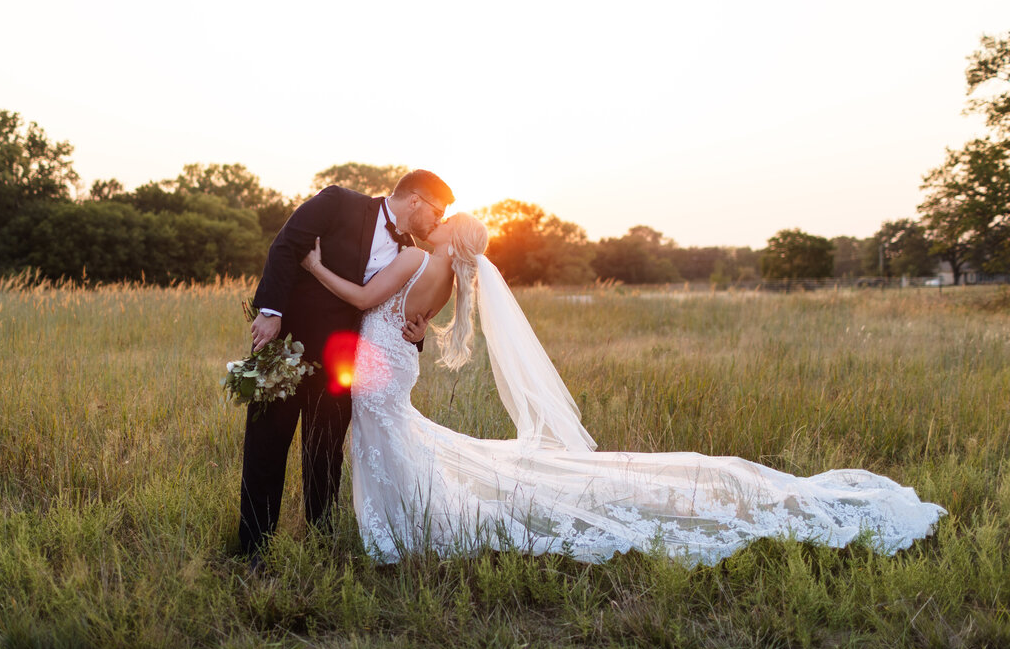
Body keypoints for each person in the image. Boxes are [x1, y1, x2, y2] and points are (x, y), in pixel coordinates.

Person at [301, 213, 946, 565]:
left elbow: (370, 302)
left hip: (381, 372)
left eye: (443, 221)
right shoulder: (448, 275)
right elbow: (406, 323)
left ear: (451, 237)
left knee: (393, 442)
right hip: (390, 369)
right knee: (398, 443)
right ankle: (401, 523)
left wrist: (313, 266)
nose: (433, 223)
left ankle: (408, 529)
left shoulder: (420, 260)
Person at [238, 170, 455, 563]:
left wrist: (418, 330)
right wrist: (270, 312)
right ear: (415, 201)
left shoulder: (409, 252)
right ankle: (254, 547)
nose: (437, 221)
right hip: (287, 346)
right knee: (266, 447)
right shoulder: (340, 202)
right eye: (436, 211)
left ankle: (320, 540)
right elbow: (287, 246)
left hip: (344, 366)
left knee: (324, 454)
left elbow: (394, 306)